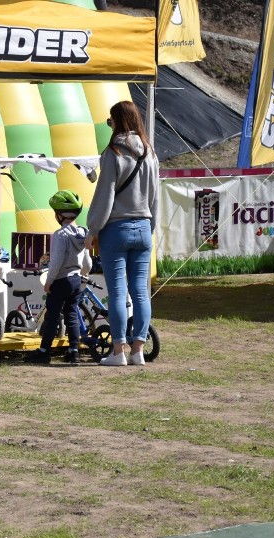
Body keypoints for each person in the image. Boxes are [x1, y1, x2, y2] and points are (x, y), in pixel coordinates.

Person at [85, 100, 159, 367]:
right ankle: (138, 350)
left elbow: (104, 196)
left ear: (117, 121)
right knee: (141, 292)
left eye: (110, 121)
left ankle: (118, 351)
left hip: (116, 229)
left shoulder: (113, 152)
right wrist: (150, 228)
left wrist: (93, 229)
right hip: (143, 227)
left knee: (117, 291)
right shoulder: (150, 152)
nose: (110, 125)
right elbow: (155, 197)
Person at [24, 191, 92, 365]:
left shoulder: (61, 235)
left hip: (61, 279)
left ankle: (44, 351)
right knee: (72, 314)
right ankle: (73, 351)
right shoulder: (83, 233)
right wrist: (82, 274)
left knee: (52, 316)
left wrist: (49, 281)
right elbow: (87, 262)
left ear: (60, 215)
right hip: (76, 279)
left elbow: (55, 262)